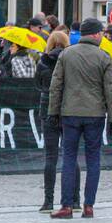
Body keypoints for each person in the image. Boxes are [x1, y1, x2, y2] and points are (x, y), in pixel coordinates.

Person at [48, 18, 112, 219]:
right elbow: (110, 90)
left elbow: (56, 86)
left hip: (69, 113)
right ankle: (89, 205)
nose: (103, 36)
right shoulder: (104, 57)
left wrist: (53, 112)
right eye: (102, 33)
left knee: (69, 158)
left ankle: (67, 206)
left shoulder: (66, 54)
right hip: (95, 114)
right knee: (93, 159)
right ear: (96, 34)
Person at [36, 32, 80, 212]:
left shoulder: (43, 61)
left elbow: (37, 85)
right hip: (68, 109)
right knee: (71, 156)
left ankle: (48, 201)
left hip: (48, 109)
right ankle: (75, 200)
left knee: (50, 157)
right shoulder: (72, 60)